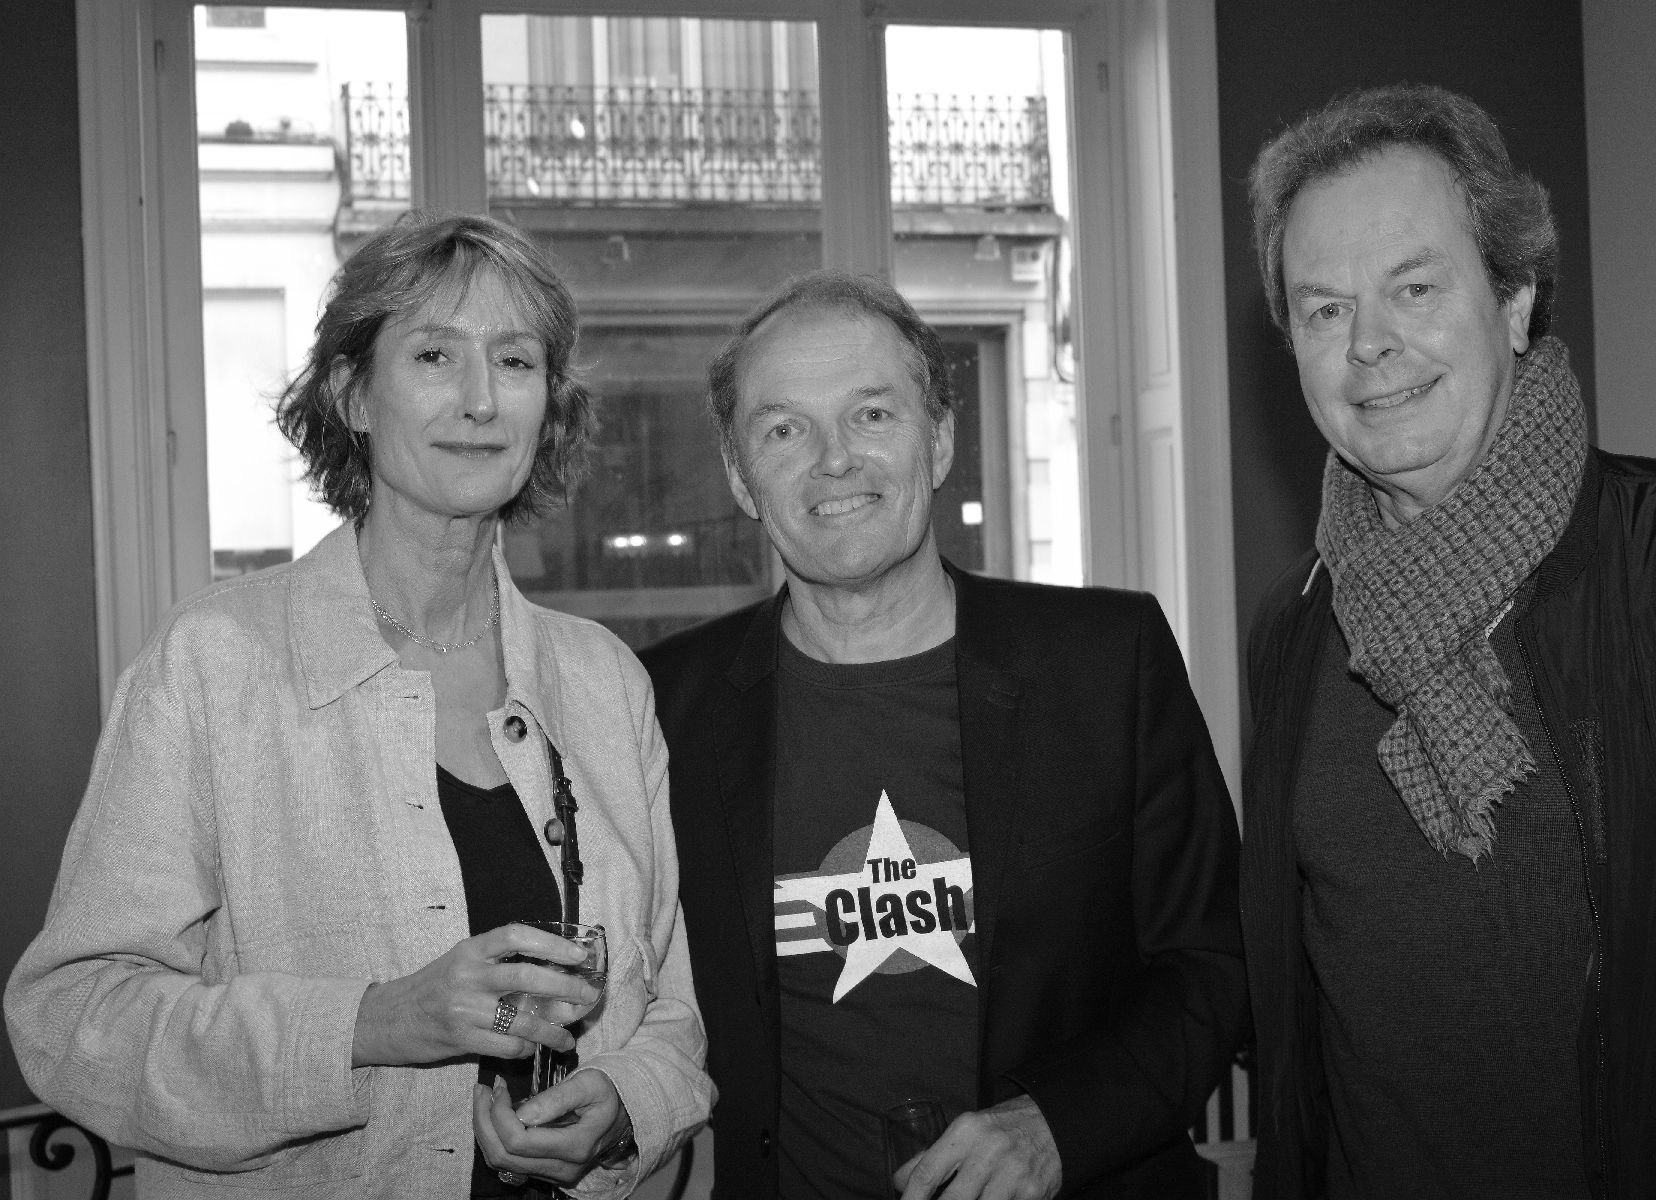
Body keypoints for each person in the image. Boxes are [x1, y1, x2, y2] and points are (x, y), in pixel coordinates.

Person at [5, 212, 712, 1198]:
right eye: (433, 355)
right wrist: (378, 1023)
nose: (479, 399)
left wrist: (624, 1104)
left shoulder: (604, 683)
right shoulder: (214, 666)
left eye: (514, 362)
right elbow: (77, 1018)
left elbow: (672, 1015)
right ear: (352, 394)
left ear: (548, 406)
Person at [1239, 83, 1656, 1198]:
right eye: (1325, 309)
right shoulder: (1294, 628)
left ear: (1515, 299)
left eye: (1415, 287)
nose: (1370, 345)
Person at [639, 270, 1246, 1200]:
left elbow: (1212, 965)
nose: (834, 460)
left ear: (941, 439)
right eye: (784, 429)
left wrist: (1057, 1126)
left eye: (872, 414)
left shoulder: (1105, 665)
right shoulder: (662, 708)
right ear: (738, 476)